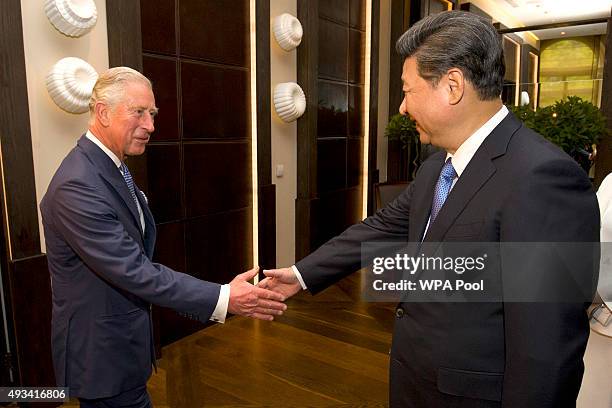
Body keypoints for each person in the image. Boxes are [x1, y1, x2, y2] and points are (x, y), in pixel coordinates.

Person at [260, 11, 599, 407]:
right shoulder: (437, 165)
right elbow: (381, 227)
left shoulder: (543, 178)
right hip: (415, 383)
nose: (402, 108)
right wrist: (301, 275)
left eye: (407, 91)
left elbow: (546, 351)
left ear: (452, 86)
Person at [40, 67, 286, 407]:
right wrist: (224, 297)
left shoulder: (111, 165)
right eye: (138, 112)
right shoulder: (78, 185)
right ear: (102, 112)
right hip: (102, 356)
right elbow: (134, 270)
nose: (150, 126)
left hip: (122, 346)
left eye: (152, 114)